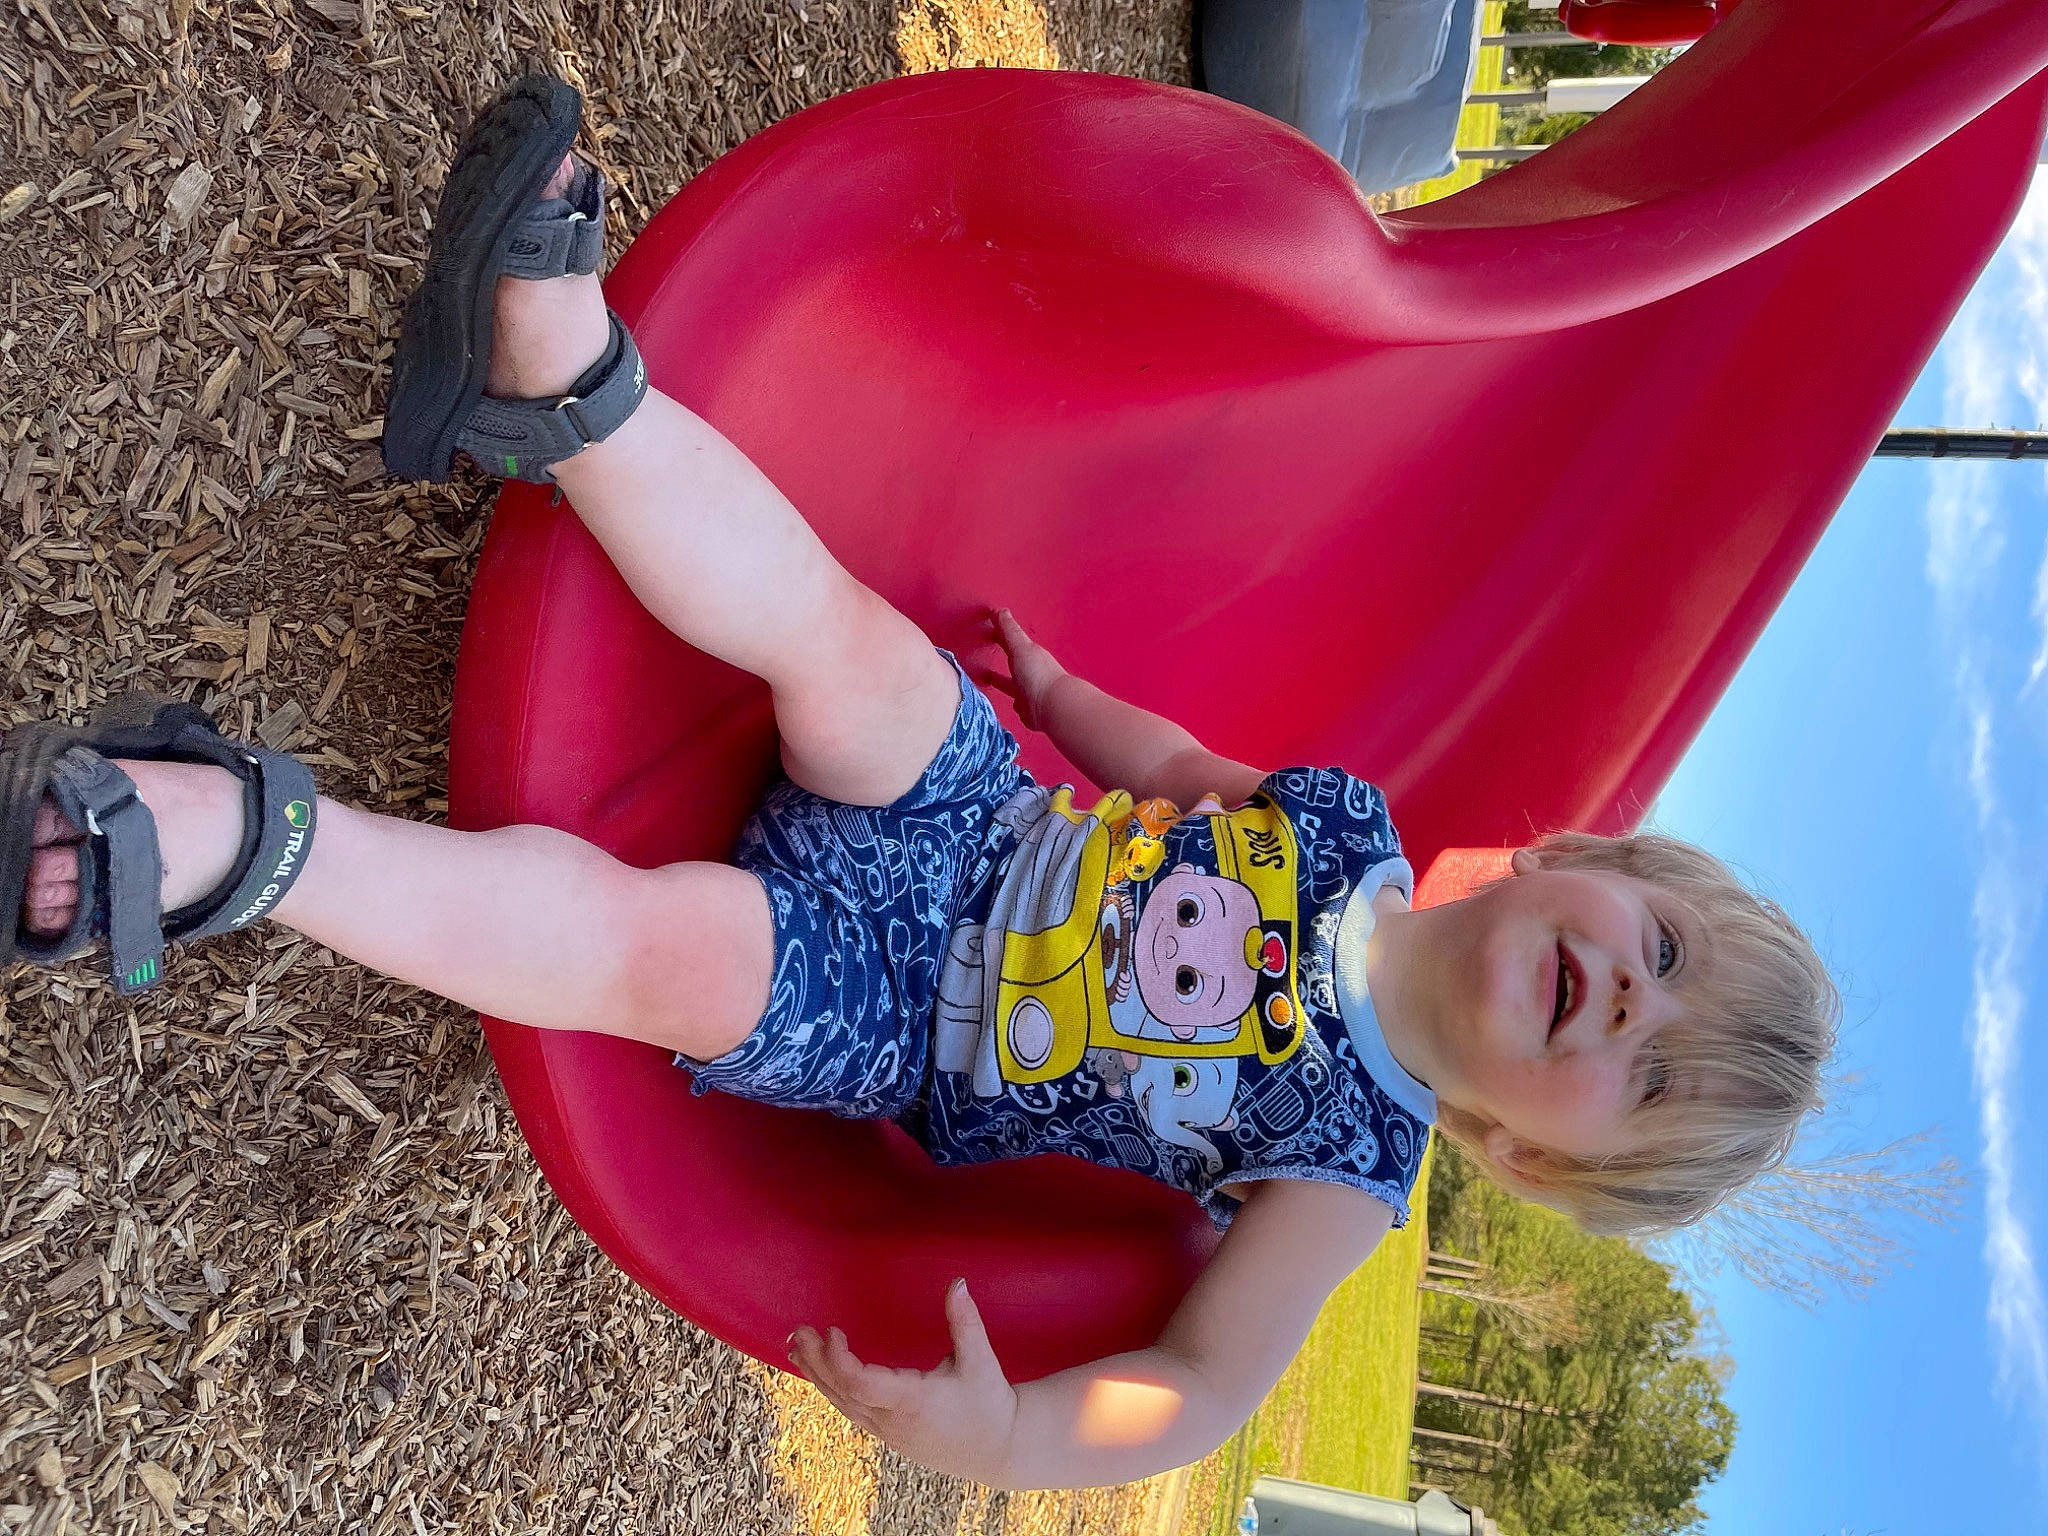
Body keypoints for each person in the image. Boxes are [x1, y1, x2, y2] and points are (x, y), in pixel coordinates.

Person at [0, 78, 1836, 1490]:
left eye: (1644, 1072)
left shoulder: (1349, 1162)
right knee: (839, 635)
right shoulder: (1350, 824)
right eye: (1663, 948)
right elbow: (1183, 772)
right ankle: (555, 384)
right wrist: (1060, 691)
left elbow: (1194, 1398)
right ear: (1592, 863)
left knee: (667, 953)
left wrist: (1011, 1441)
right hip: (978, 817)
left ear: (1524, 1149)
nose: (1627, 996)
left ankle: (232, 833)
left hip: (904, 1018)